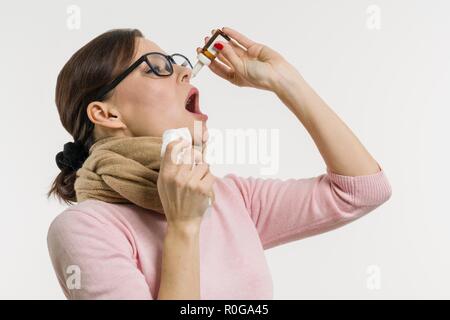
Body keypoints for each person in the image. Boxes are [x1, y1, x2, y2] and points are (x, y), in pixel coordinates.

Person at [47, 27, 392, 299]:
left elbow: (361, 191)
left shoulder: (229, 198)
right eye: (158, 67)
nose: (184, 71)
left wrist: (284, 81)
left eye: (177, 61)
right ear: (106, 113)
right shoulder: (84, 229)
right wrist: (184, 227)